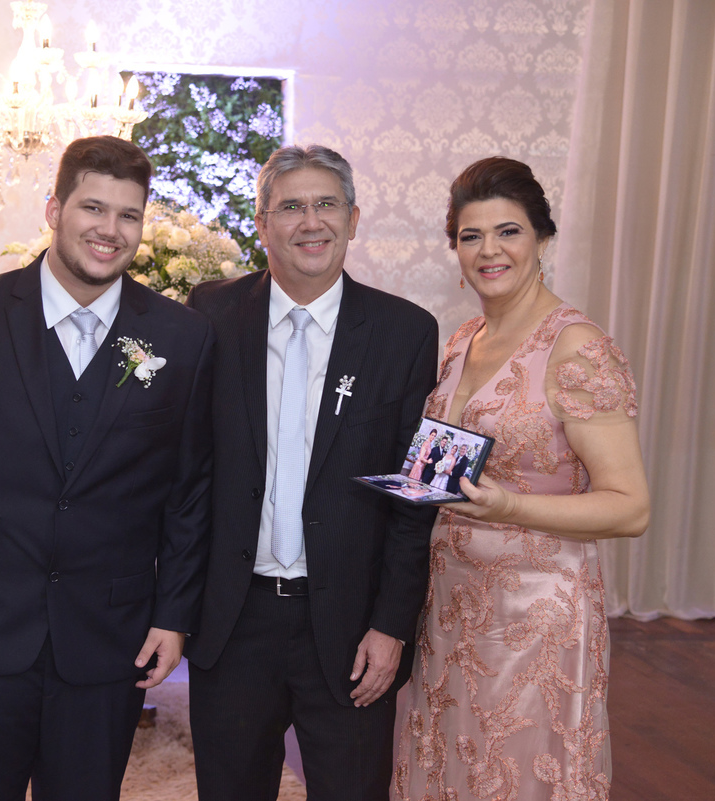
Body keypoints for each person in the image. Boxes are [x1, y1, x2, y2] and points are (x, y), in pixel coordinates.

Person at [0, 136, 212, 801]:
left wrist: (173, 614)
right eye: (93, 208)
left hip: (108, 635)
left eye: (128, 215)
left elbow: (188, 491)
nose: (110, 230)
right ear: (54, 210)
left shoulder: (182, 336)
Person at [185, 144, 438, 801]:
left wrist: (392, 624)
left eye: (327, 204)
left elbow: (414, 498)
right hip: (232, 623)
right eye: (291, 206)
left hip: (352, 628)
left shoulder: (406, 332)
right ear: (262, 223)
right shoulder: (209, 315)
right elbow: (187, 476)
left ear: (353, 219)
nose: (311, 221)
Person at [395, 157, 650, 801]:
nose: (489, 250)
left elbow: (630, 507)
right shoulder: (464, 339)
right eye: (471, 236)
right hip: (448, 600)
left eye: (508, 231)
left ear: (542, 239)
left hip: (535, 617)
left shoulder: (577, 348)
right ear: (456, 250)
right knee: (449, 770)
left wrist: (509, 505)